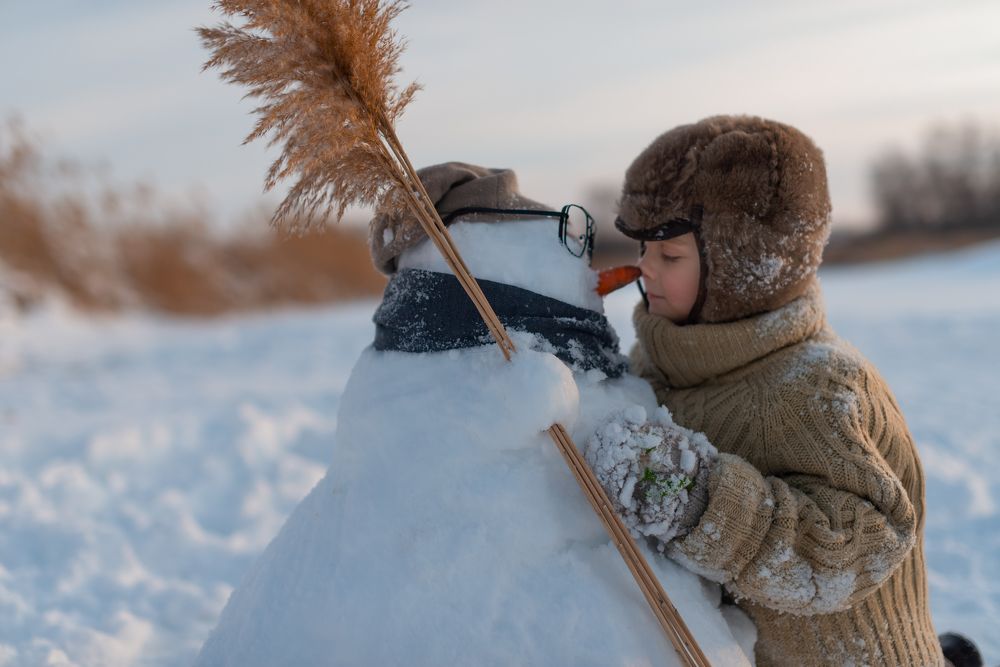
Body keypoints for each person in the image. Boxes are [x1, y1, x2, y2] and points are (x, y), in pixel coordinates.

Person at [585, 115, 944, 666]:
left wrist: (698, 503)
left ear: (741, 263)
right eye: (643, 251)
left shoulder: (818, 388)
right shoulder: (657, 363)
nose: (643, 271)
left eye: (669, 256)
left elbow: (855, 550)